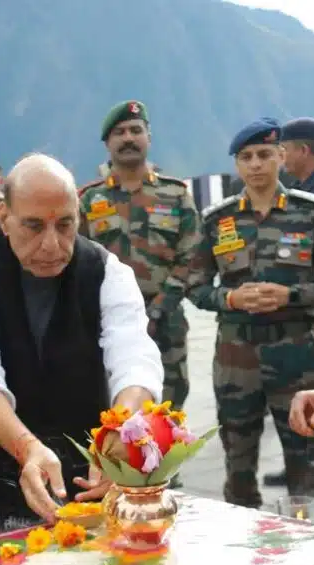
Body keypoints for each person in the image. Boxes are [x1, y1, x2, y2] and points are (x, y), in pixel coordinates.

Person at [0, 154, 163, 565]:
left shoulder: (108, 273)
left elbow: (134, 360)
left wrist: (120, 431)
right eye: (34, 225)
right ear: (4, 217)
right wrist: (26, 448)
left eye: (65, 225)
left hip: (80, 484)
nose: (51, 245)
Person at [187, 117, 314, 518]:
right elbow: (195, 287)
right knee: (238, 468)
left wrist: (291, 295)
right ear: (237, 164)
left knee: (303, 464)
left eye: (264, 155)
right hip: (237, 361)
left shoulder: (312, 215)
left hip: (296, 359)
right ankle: (245, 551)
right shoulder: (218, 220)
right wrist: (231, 298)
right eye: (246, 157)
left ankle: (307, 554)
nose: (255, 165)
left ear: (281, 157)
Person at [78, 100, 200, 413]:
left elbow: (191, 257)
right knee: (111, 413)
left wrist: (157, 310)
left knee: (167, 415)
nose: (128, 138)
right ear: (108, 143)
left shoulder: (175, 195)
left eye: (136, 130)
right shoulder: (90, 200)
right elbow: (78, 261)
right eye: (119, 132)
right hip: (106, 326)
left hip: (166, 324)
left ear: (149, 137)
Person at [264, 117, 314, 490]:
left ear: (303, 150)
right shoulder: (301, 189)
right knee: (310, 389)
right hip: (307, 311)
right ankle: (303, 464)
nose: (282, 157)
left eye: (285, 149)